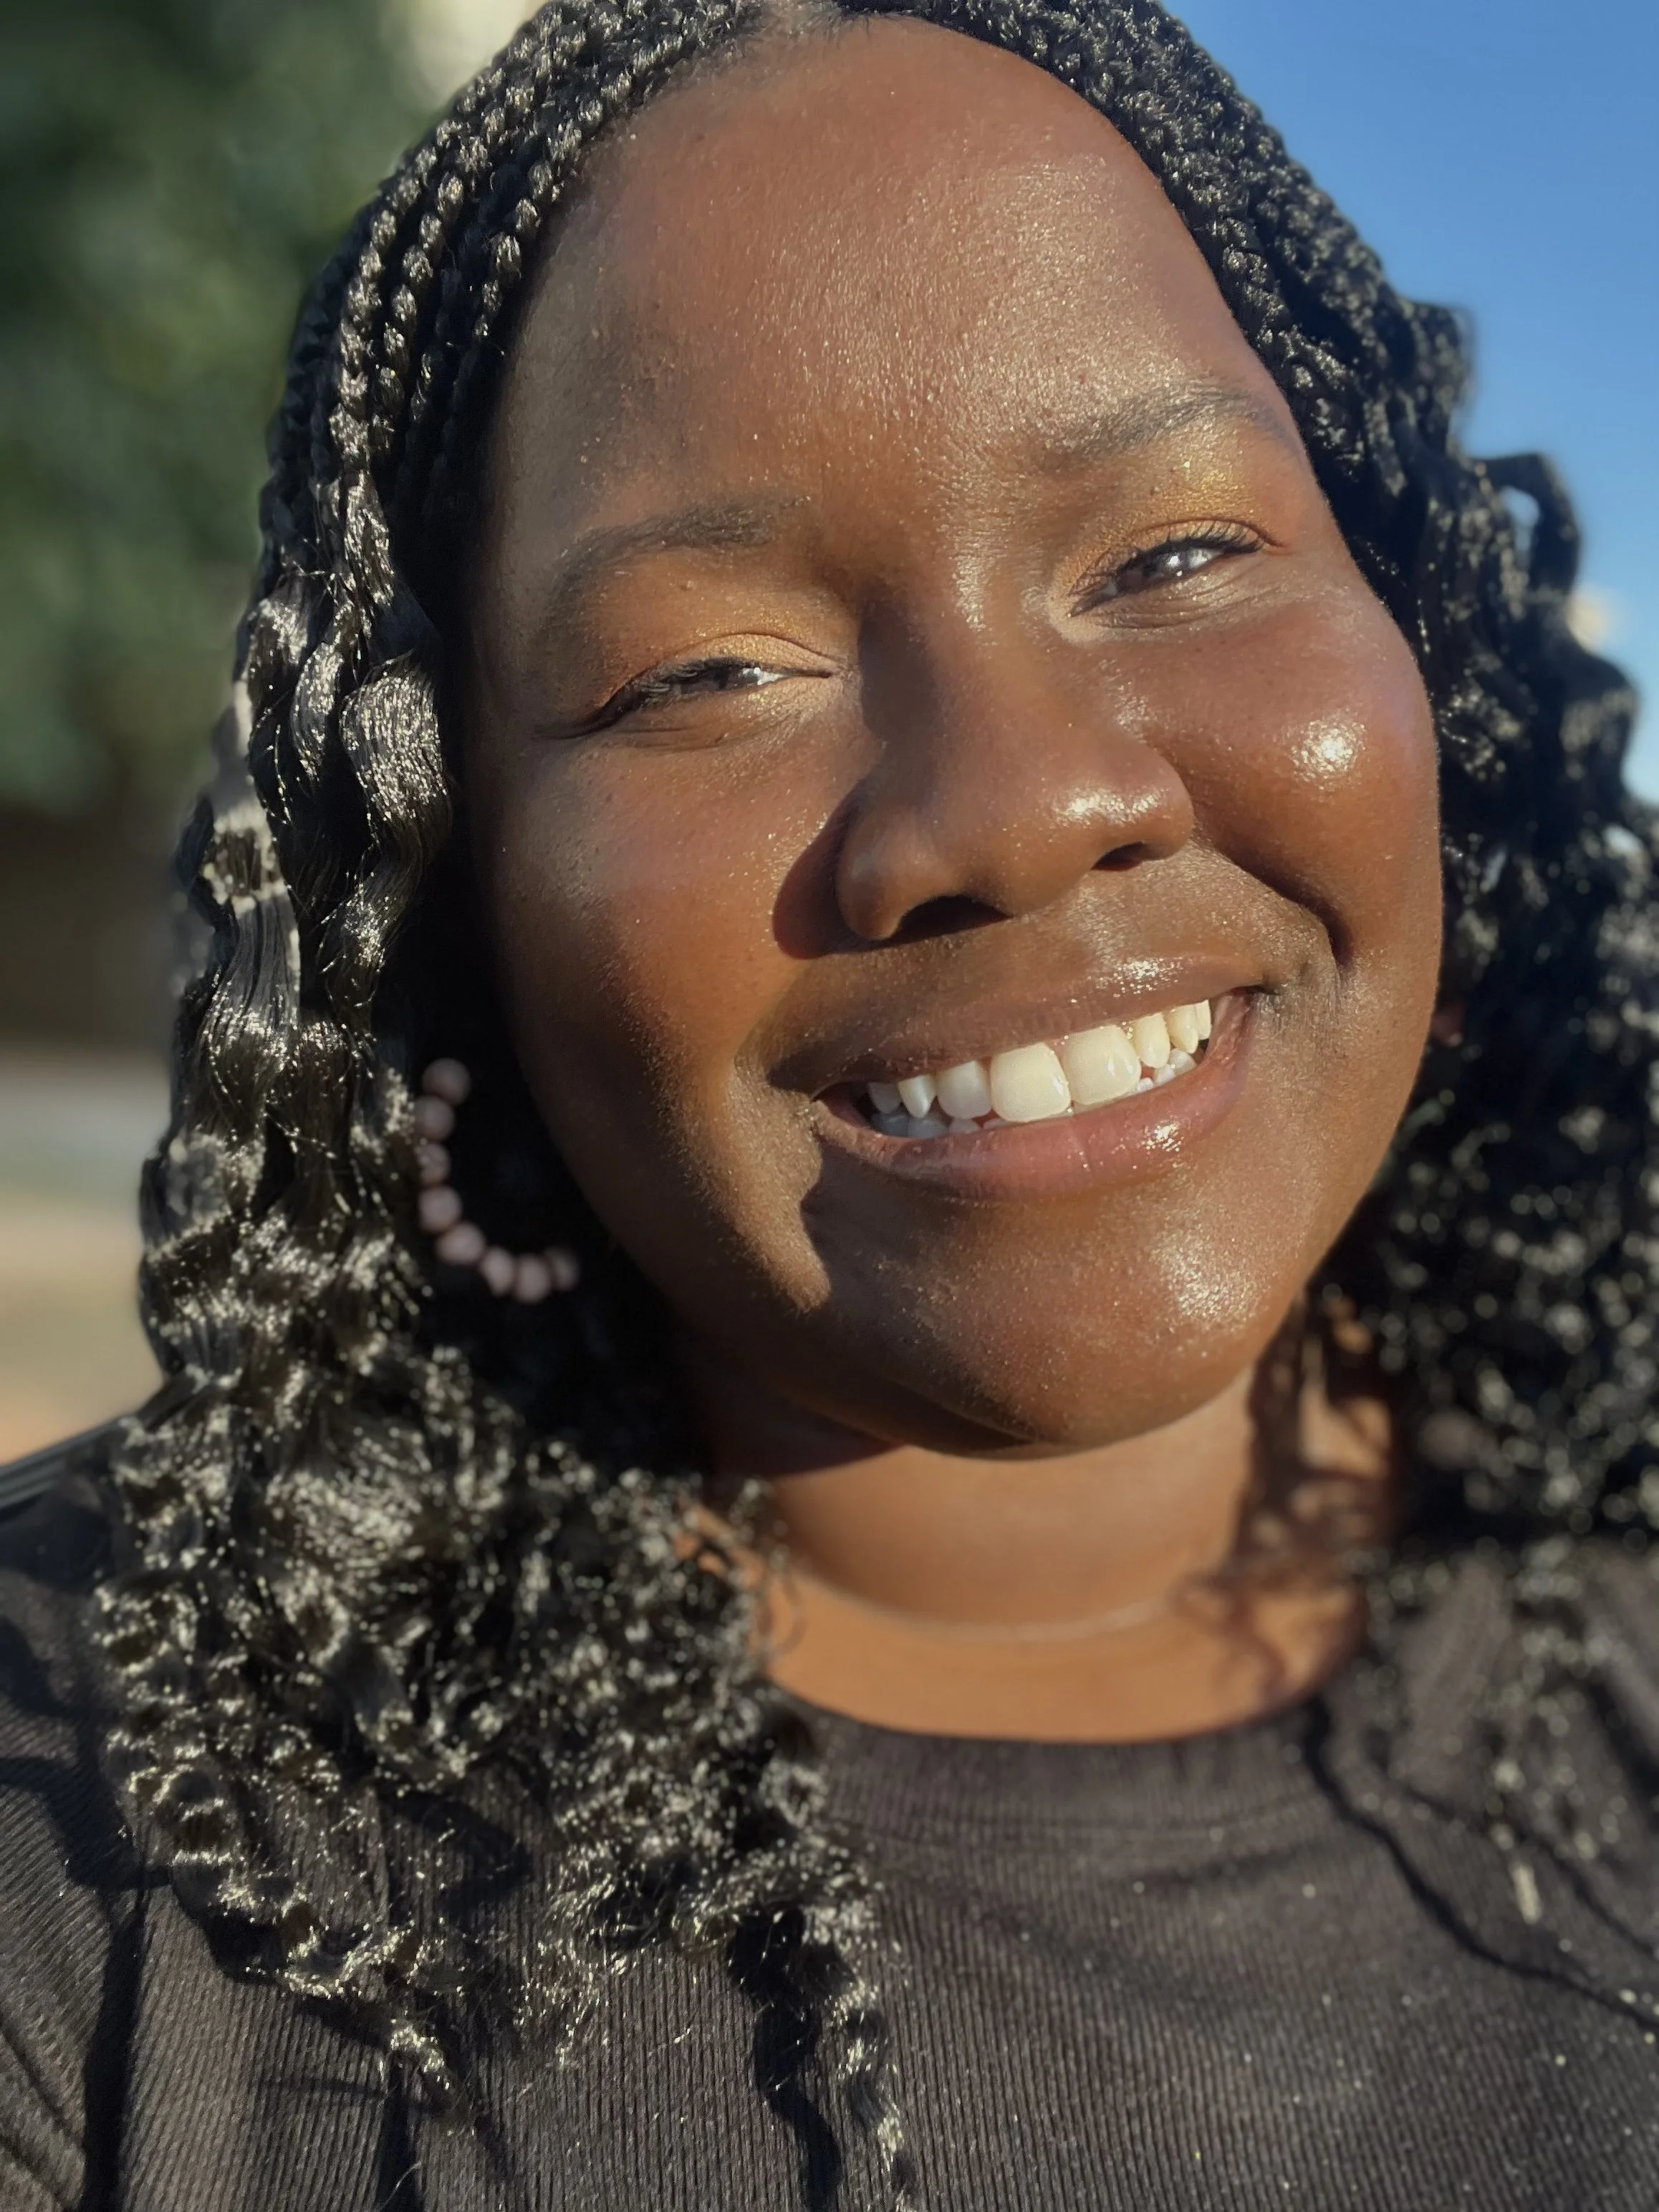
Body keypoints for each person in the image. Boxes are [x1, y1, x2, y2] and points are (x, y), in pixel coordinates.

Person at [2, 0, 1655, 2204]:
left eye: (1174, 556)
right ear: (448, 882)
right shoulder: (76, 1830)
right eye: (706, 673)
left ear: (1420, 641)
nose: (1021, 803)